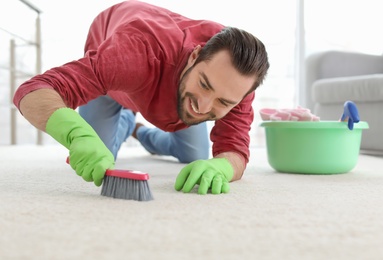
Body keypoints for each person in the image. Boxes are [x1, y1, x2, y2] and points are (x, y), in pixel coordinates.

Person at [13, 0, 269, 195]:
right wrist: (75, 133)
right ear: (195, 56)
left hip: (162, 84)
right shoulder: (135, 54)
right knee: (99, 156)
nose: (203, 107)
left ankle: (136, 129)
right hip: (113, 79)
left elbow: (234, 150)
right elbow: (34, 90)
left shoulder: (237, 80)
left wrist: (223, 166)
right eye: (204, 84)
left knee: (195, 156)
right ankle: (123, 116)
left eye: (223, 102)